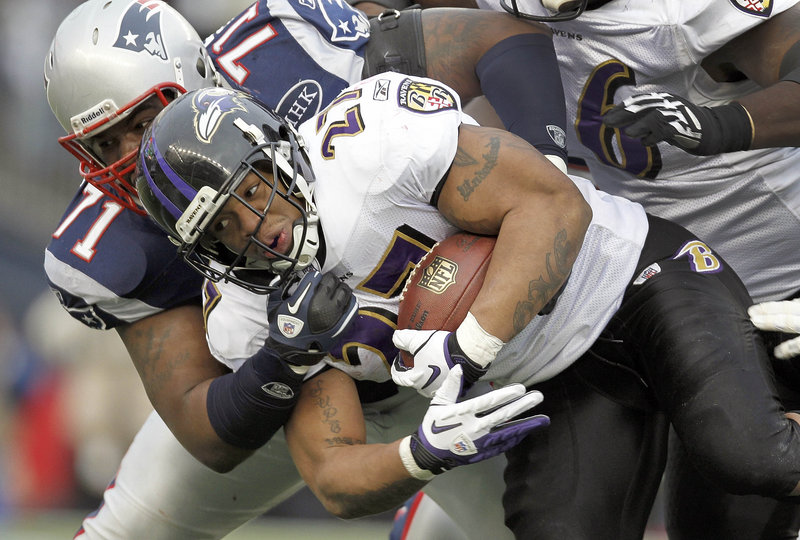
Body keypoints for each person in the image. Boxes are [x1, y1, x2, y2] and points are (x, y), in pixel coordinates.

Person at [137, 74, 800, 540]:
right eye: (219, 229)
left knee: (753, 458)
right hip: (551, 383)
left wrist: (470, 346)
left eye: (248, 196)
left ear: (275, 155)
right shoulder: (250, 312)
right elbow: (332, 472)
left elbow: (552, 204)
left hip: (633, 278)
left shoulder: (368, 148)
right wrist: (422, 452)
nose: (249, 231)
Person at [43, 0, 569, 537]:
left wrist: (552, 168)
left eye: (143, 120)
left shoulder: (287, 51)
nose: (134, 155)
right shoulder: (110, 246)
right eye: (106, 143)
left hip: (447, 342)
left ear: (199, 75)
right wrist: (281, 358)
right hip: (283, 395)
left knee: (528, 526)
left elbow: (499, 38)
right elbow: (205, 431)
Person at [415, 0, 800, 536]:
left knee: (735, 498)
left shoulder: (681, 12)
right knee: (564, 526)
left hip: (769, 288)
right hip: (611, 282)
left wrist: (719, 122)